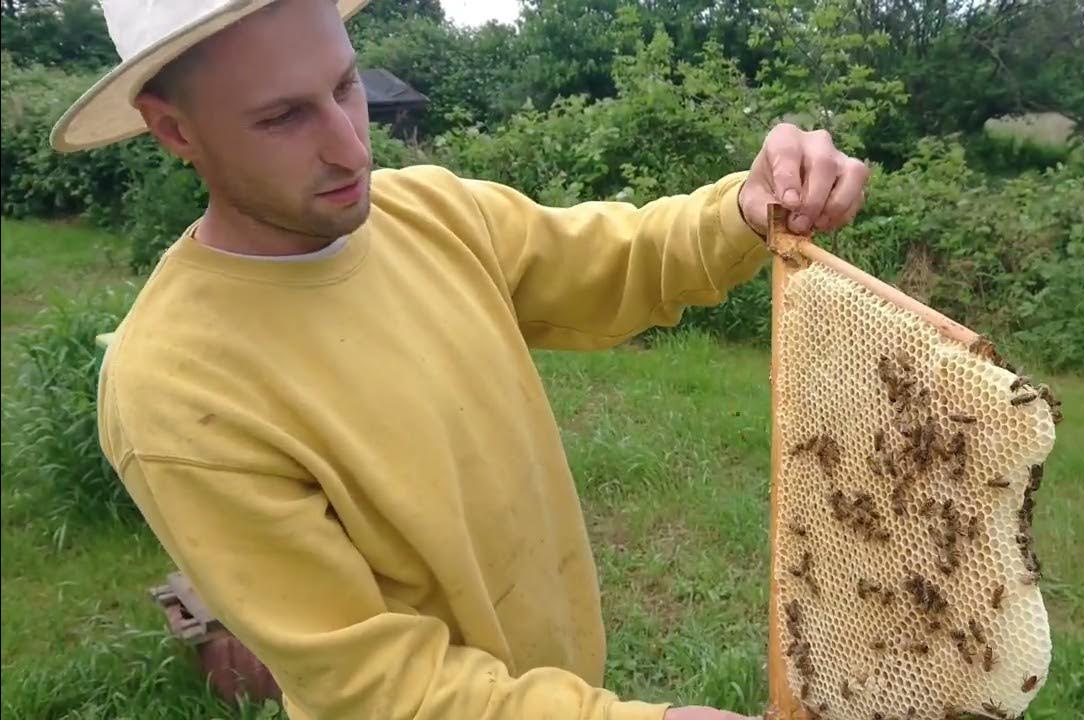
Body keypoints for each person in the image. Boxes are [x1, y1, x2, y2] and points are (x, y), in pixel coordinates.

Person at [52, 1, 871, 718]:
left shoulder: (428, 212)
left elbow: (619, 257)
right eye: (282, 118)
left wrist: (742, 207)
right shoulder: (175, 389)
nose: (349, 147)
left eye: (344, 86)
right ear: (173, 128)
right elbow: (377, 688)